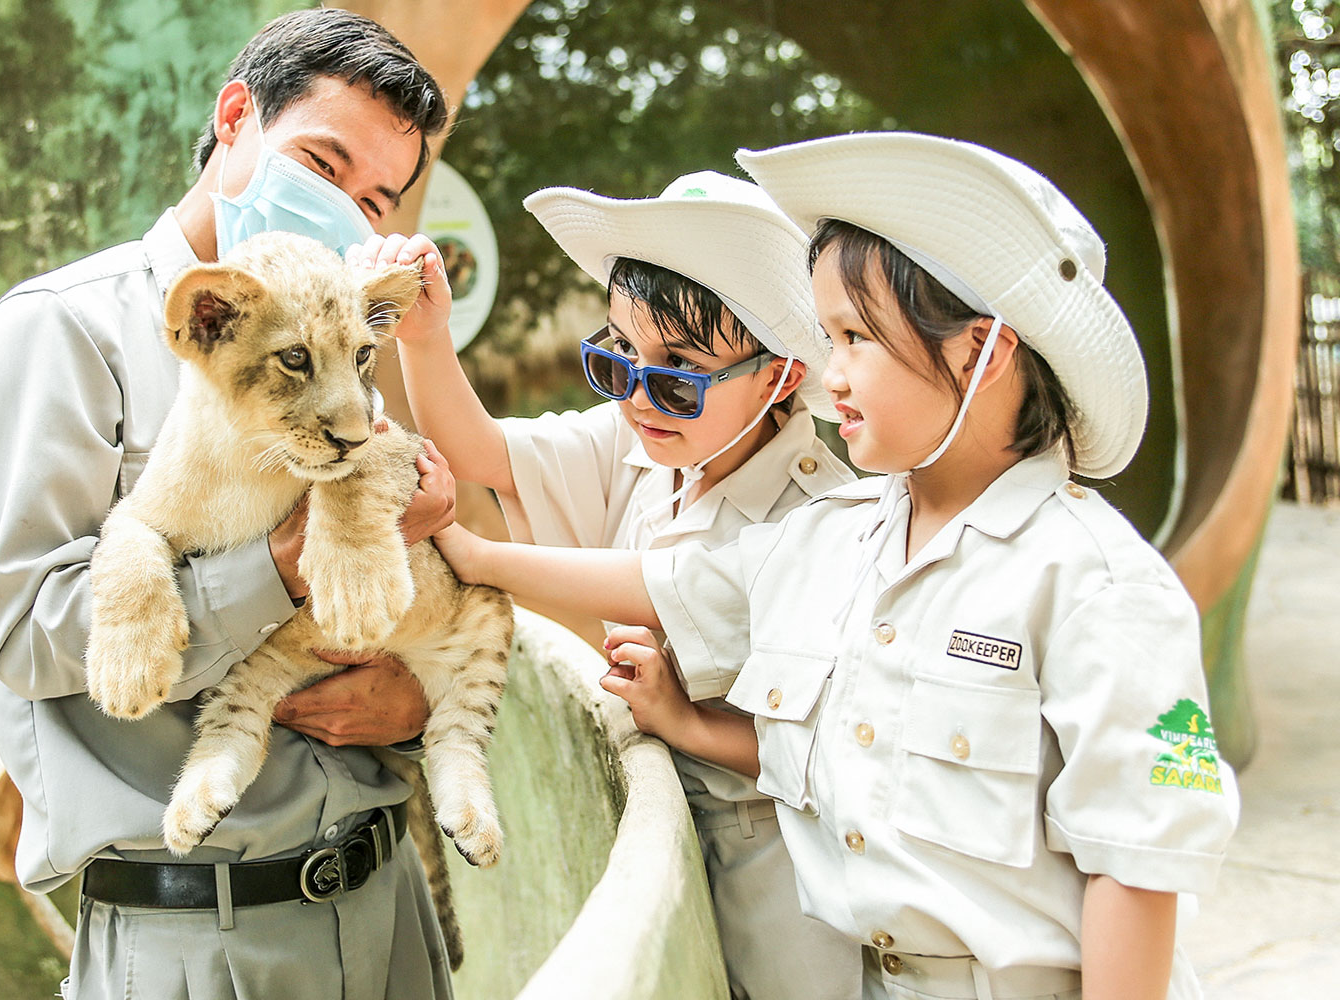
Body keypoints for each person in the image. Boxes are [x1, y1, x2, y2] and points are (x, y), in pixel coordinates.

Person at [429, 132, 1240, 1000]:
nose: (832, 373)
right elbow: (662, 588)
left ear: (982, 352)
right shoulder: (841, 534)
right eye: (828, 336)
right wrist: (470, 554)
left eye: (857, 338)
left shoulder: (1099, 585)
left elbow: (1135, 871)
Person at [0, 10, 459, 999]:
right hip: (197, 930)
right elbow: (27, 637)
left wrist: (411, 709)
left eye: (375, 197)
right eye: (320, 161)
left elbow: (385, 596)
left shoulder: (343, 341)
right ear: (235, 119)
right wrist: (280, 567)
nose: (344, 208)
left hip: (387, 903)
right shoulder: (59, 337)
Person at [355, 170, 862, 999]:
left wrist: (478, 558)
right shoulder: (643, 442)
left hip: (785, 866)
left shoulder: (821, 512)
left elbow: (666, 586)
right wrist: (424, 338)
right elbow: (482, 453)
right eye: (619, 357)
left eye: (677, 374)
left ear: (778, 378)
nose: (637, 396)